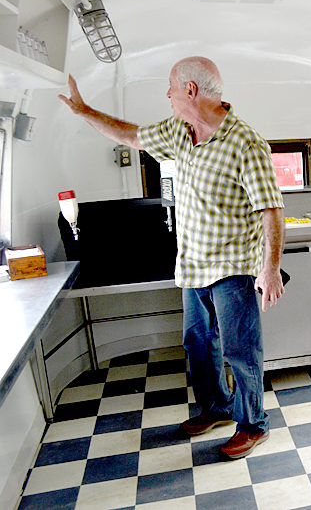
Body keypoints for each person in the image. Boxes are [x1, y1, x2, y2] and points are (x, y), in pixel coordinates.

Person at [59, 56, 285, 459]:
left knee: (240, 350)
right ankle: (215, 409)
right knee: (198, 344)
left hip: (233, 269)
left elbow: (271, 208)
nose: (167, 95)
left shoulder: (245, 143)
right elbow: (130, 136)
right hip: (193, 266)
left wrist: (270, 269)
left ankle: (253, 424)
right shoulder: (180, 132)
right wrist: (83, 110)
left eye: (171, 88)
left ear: (191, 91)